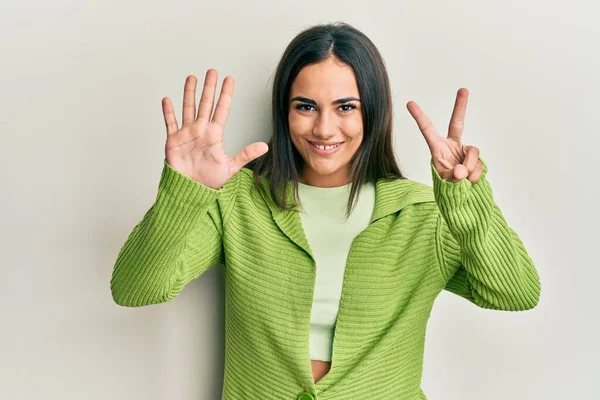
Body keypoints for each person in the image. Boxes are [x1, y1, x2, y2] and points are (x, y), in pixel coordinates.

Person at [110, 22, 541, 400]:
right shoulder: (241, 200)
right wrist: (185, 191)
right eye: (306, 106)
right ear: (285, 111)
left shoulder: (423, 213)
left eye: (345, 107)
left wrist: (467, 198)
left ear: (373, 112)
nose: (324, 128)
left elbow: (515, 293)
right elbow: (135, 288)